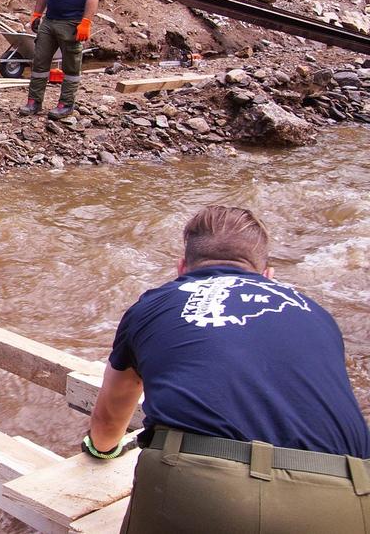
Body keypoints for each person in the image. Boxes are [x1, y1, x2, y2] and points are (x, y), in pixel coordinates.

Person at [86, 205, 370, 532]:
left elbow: (108, 418)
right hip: (348, 494)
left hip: (204, 488)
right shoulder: (318, 314)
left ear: (181, 269)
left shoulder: (153, 304)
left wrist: (101, 449)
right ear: (268, 276)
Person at [19, 0, 101, 120]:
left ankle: (66, 104)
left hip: (71, 23)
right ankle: (34, 102)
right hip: (50, 21)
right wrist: (37, 14)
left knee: (71, 66)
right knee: (39, 62)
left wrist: (86, 22)